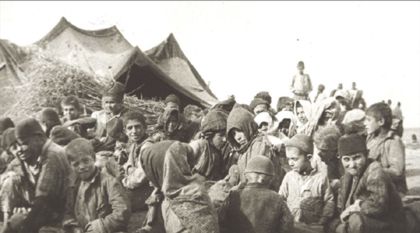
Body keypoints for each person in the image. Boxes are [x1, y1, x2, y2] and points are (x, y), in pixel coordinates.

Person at [0, 118, 72, 233]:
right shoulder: (42, 153)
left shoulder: (52, 156)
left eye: (25, 143)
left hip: (65, 214)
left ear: (38, 137)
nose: (21, 149)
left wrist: (23, 227)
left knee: (18, 223)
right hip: (55, 209)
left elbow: (43, 202)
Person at [330, 134, 406, 233]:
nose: (352, 165)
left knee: (355, 222)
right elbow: (341, 206)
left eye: (357, 158)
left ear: (367, 154)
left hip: (388, 223)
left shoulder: (375, 171)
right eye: (346, 159)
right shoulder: (347, 177)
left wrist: (357, 206)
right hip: (362, 221)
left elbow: (379, 206)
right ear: (340, 159)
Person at [63, 138, 130, 233]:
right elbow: (67, 211)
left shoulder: (109, 182)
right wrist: (74, 226)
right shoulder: (73, 185)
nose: (82, 167)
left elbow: (123, 211)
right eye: (76, 164)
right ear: (70, 166)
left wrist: (102, 226)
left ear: (94, 158)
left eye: (86, 161)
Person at [222, 155, 294, 233]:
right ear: (269, 179)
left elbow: (220, 222)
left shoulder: (233, 196)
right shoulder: (277, 199)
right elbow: (287, 226)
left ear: (246, 175)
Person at [278, 134, 335, 229]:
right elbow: (280, 199)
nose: (290, 163)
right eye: (288, 159)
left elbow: (329, 201)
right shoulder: (289, 177)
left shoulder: (320, 178)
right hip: (291, 226)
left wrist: (323, 220)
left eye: (294, 159)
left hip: (313, 226)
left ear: (308, 157)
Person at [226, 106, 284, 191]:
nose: (238, 137)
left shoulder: (260, 145)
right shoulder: (245, 149)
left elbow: (256, 179)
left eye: (240, 131)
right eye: (234, 134)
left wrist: (236, 189)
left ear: (248, 127)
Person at [364, 102, 407, 194]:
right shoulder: (370, 138)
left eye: (368, 120)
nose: (365, 123)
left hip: (392, 191)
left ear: (381, 121)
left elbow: (397, 172)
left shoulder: (393, 141)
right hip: (374, 186)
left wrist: (371, 172)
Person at [189, 109, 229, 181]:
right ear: (210, 135)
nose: (224, 139)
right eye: (221, 136)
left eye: (225, 136)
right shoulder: (199, 145)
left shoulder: (218, 153)